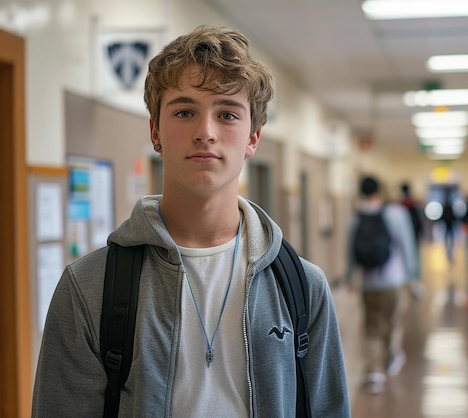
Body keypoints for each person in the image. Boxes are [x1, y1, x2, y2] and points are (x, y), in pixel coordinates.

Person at [32, 26, 350, 417]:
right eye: (184, 112)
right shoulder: (88, 288)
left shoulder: (302, 287)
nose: (205, 132)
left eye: (227, 114)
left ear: (253, 138)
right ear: (156, 132)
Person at [346, 175, 417, 395]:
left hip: (369, 284)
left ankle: (374, 370)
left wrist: (351, 278)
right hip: (394, 280)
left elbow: (350, 251)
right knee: (393, 320)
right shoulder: (396, 214)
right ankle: (391, 356)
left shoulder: (356, 218)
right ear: (380, 191)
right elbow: (407, 245)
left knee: (372, 325)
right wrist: (411, 276)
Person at [399, 182, 423, 298]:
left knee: (403, 258)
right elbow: (417, 221)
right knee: (414, 259)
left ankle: (407, 282)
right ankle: (414, 283)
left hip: (401, 237)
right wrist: (420, 233)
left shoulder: (399, 205)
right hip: (413, 235)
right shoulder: (412, 204)